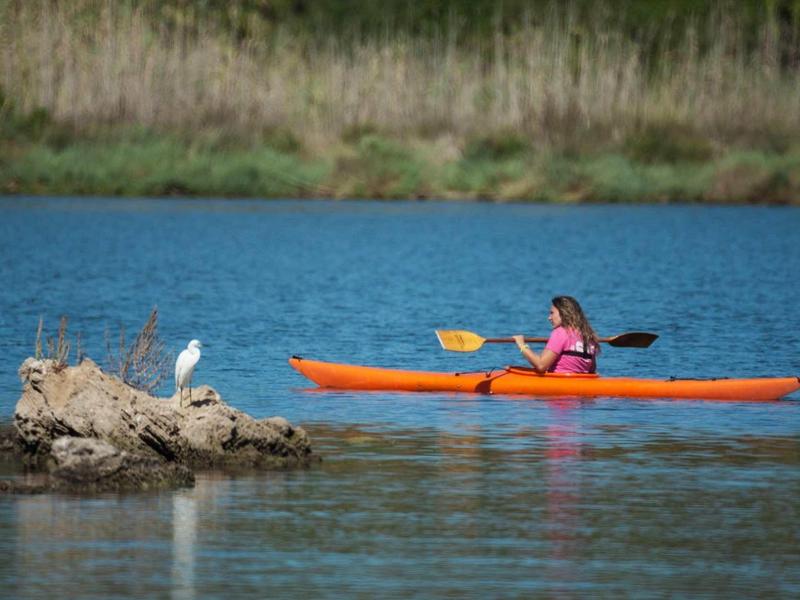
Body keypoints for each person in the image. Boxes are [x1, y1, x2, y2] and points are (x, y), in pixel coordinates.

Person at [513, 296, 599, 374]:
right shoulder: (588, 335)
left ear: (564, 313)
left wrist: (521, 345)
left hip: (560, 383)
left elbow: (541, 366)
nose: (549, 317)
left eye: (552, 313)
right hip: (580, 383)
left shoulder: (560, 332)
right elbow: (591, 370)